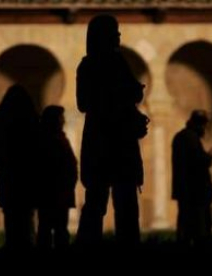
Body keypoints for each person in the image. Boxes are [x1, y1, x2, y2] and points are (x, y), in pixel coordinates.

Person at [75, 14, 146, 247]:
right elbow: (133, 94)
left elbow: (83, 102)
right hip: (118, 144)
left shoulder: (87, 65)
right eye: (114, 32)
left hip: (98, 142)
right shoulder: (116, 63)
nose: (118, 36)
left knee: (96, 201)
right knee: (122, 203)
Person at [0, 84, 40, 251]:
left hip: (8, 179)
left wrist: (4, 164)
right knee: (27, 218)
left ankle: (13, 247)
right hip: (27, 179)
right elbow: (38, 150)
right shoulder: (32, 122)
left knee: (11, 218)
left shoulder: (0, 122)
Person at [172, 110, 212, 247]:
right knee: (199, 229)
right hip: (195, 192)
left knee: (185, 226)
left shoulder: (181, 137)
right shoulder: (190, 138)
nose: (204, 129)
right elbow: (198, 162)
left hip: (186, 190)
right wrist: (210, 156)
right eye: (203, 125)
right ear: (199, 124)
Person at [37, 106, 77, 249]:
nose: (63, 120)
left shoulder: (55, 138)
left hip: (57, 193)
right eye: (60, 117)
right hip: (54, 193)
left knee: (50, 230)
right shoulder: (51, 139)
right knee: (53, 230)